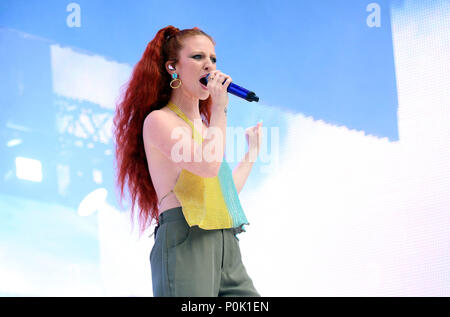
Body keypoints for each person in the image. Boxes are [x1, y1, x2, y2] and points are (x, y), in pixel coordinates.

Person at [113, 25, 262, 297]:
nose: (209, 66)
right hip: (187, 238)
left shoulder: (207, 131)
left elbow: (224, 192)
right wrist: (219, 107)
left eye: (213, 59)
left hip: (224, 240)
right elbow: (207, 167)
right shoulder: (159, 121)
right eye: (198, 57)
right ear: (173, 68)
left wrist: (251, 153)